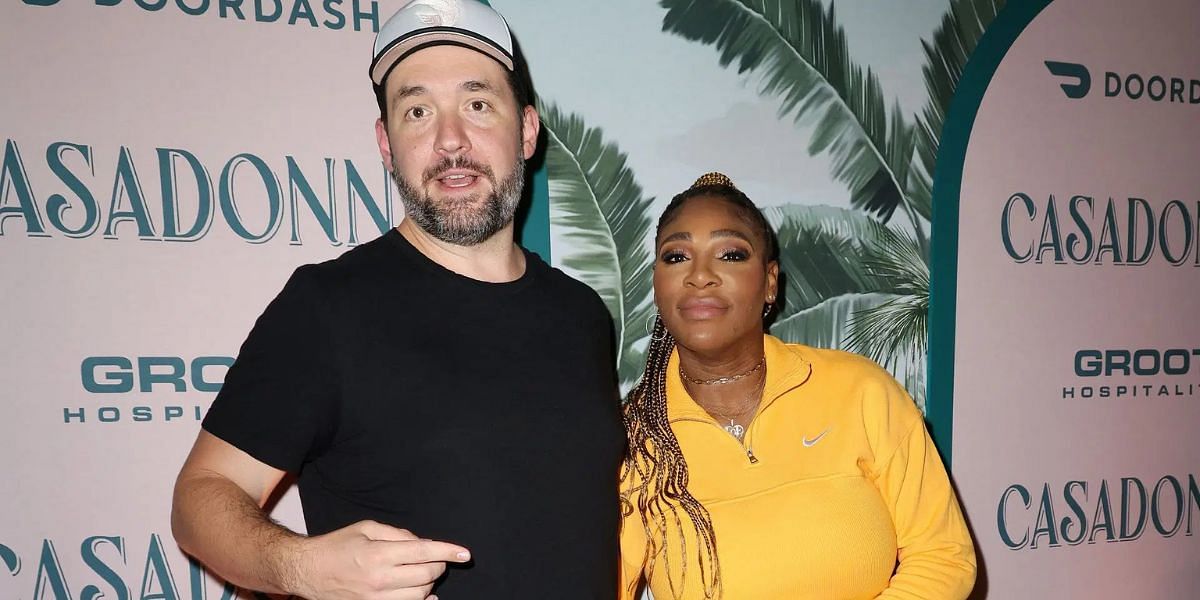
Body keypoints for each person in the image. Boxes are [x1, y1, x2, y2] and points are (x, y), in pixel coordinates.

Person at [171, 1, 624, 598]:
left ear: (528, 130)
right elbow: (200, 497)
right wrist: (301, 569)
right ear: (387, 144)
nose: (450, 140)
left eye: (478, 104)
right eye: (417, 111)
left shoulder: (582, 313)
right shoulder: (328, 308)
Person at [618, 173, 976, 599]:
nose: (700, 276)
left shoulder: (860, 391)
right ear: (657, 284)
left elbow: (944, 554)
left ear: (770, 282)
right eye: (676, 257)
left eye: (730, 254)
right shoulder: (633, 439)